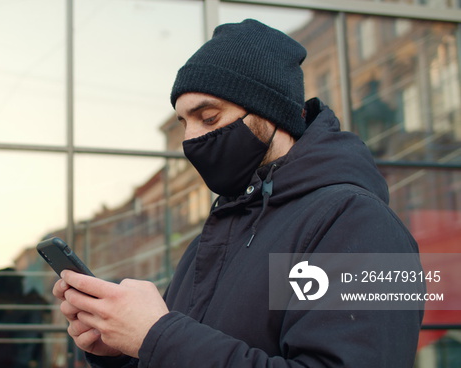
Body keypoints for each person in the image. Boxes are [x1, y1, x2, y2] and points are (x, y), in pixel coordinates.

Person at [52, 19, 423, 367]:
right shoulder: (215, 236)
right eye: (184, 123)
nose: (191, 138)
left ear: (271, 113)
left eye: (209, 118)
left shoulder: (360, 224)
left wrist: (157, 335)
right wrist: (122, 349)